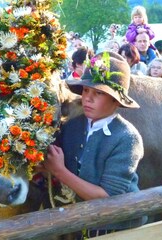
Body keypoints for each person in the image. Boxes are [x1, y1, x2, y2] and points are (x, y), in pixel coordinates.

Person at [39, 52, 147, 238]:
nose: (88, 98)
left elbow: (108, 198)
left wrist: (59, 171)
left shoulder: (127, 138)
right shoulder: (73, 125)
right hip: (82, 220)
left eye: (98, 93)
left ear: (116, 100)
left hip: (117, 227)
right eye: (86, 90)